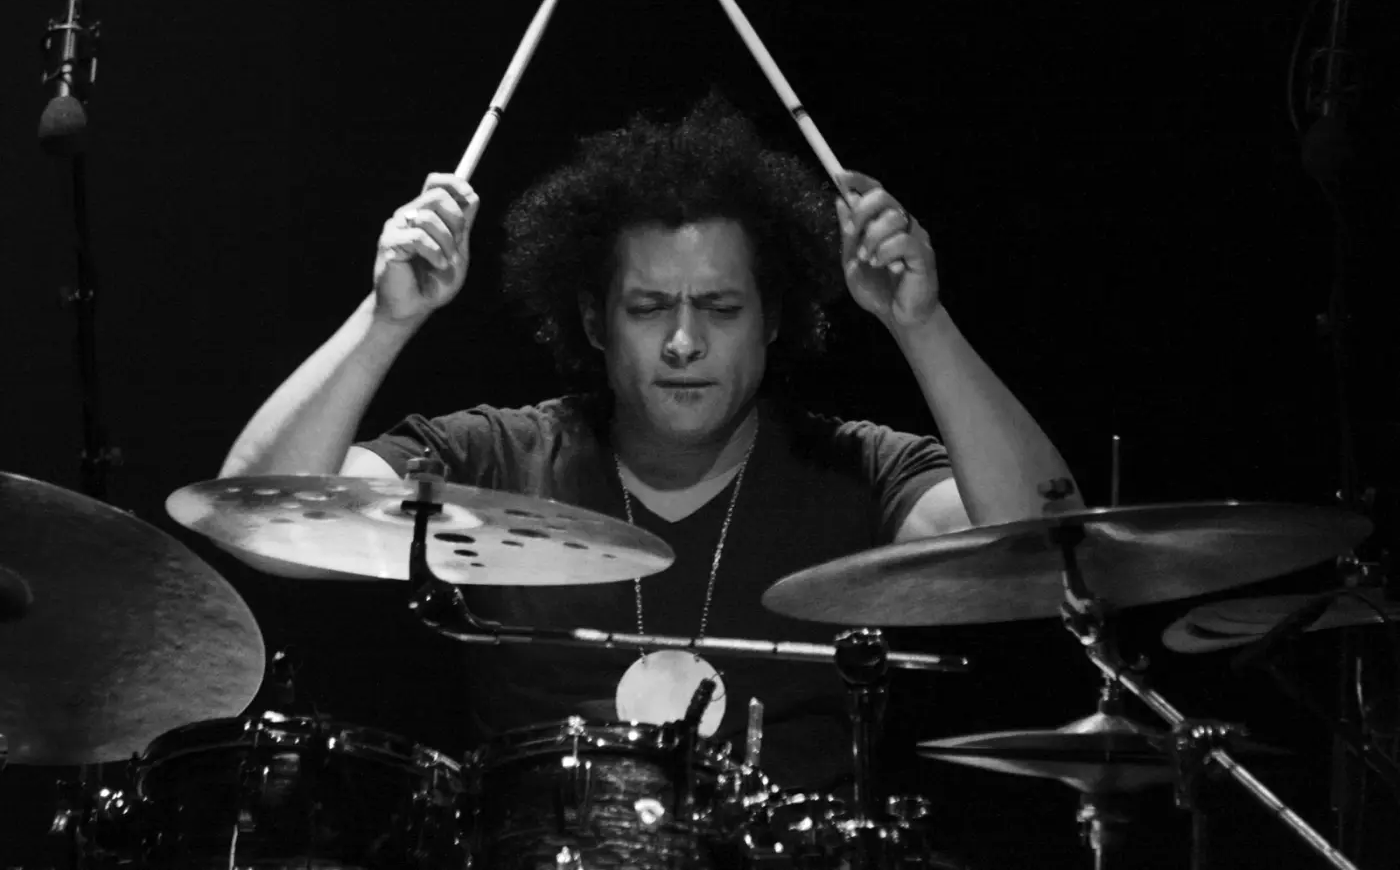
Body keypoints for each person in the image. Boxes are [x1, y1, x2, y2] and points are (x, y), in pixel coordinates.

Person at [220, 93, 1082, 790]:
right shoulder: (495, 456)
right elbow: (255, 520)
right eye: (647, 308)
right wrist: (385, 320)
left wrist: (921, 325)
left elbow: (1047, 557)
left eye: (720, 307)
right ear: (596, 322)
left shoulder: (859, 469)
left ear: (773, 318)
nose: (682, 342)